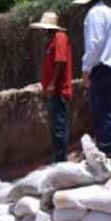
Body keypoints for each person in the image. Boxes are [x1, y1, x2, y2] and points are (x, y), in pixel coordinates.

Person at [74, 0, 111, 158]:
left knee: (103, 110)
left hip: (103, 67)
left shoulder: (93, 15)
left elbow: (95, 43)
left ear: (86, 2)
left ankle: (108, 151)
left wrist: (86, 68)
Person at [30, 11, 73, 163]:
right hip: (53, 91)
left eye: (44, 27)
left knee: (60, 127)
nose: (42, 30)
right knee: (55, 127)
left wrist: (53, 83)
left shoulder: (60, 38)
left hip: (59, 90)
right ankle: (58, 159)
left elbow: (60, 61)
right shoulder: (51, 41)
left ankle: (62, 161)